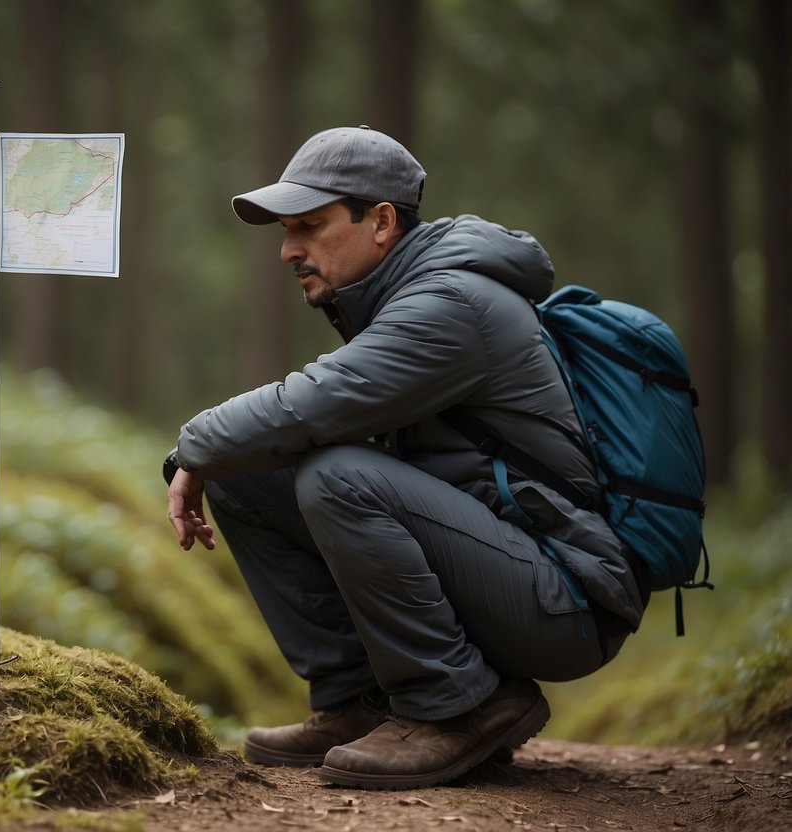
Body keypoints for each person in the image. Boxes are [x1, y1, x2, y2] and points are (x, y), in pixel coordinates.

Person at [163, 126, 649, 791]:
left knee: (336, 476)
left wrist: (190, 446)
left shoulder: (450, 306)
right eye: (285, 230)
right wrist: (208, 455)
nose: (287, 250)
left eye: (308, 225)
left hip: (564, 596)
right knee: (250, 469)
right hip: (504, 565)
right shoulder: (405, 295)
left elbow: (312, 402)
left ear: (382, 221)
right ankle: (357, 702)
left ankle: (458, 705)